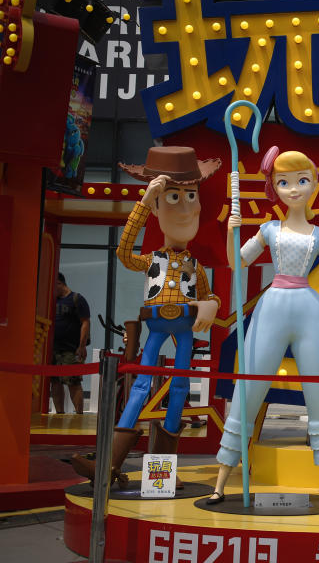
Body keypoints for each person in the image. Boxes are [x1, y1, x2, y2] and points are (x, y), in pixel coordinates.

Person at [71, 146, 222, 487]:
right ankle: (109, 465)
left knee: (180, 387)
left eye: (191, 196)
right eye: (172, 197)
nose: (185, 207)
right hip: (155, 327)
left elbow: (208, 294)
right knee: (139, 386)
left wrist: (210, 303)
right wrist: (143, 201)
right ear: (156, 206)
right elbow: (124, 252)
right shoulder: (151, 259)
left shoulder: (194, 266)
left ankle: (162, 474)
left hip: (184, 327)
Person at [208, 147, 319, 506]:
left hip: (312, 314)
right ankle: (221, 480)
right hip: (272, 309)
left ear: (314, 184)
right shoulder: (269, 230)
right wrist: (230, 232)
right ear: (274, 187)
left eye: (302, 180)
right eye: (284, 182)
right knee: (248, 388)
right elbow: (236, 263)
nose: (294, 189)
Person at [51, 273, 90, 414]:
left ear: (59, 283)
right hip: (53, 349)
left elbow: (85, 322)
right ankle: (59, 414)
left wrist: (81, 346)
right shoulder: (52, 301)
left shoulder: (76, 299)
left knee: (73, 382)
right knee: (55, 382)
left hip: (71, 349)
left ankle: (79, 414)